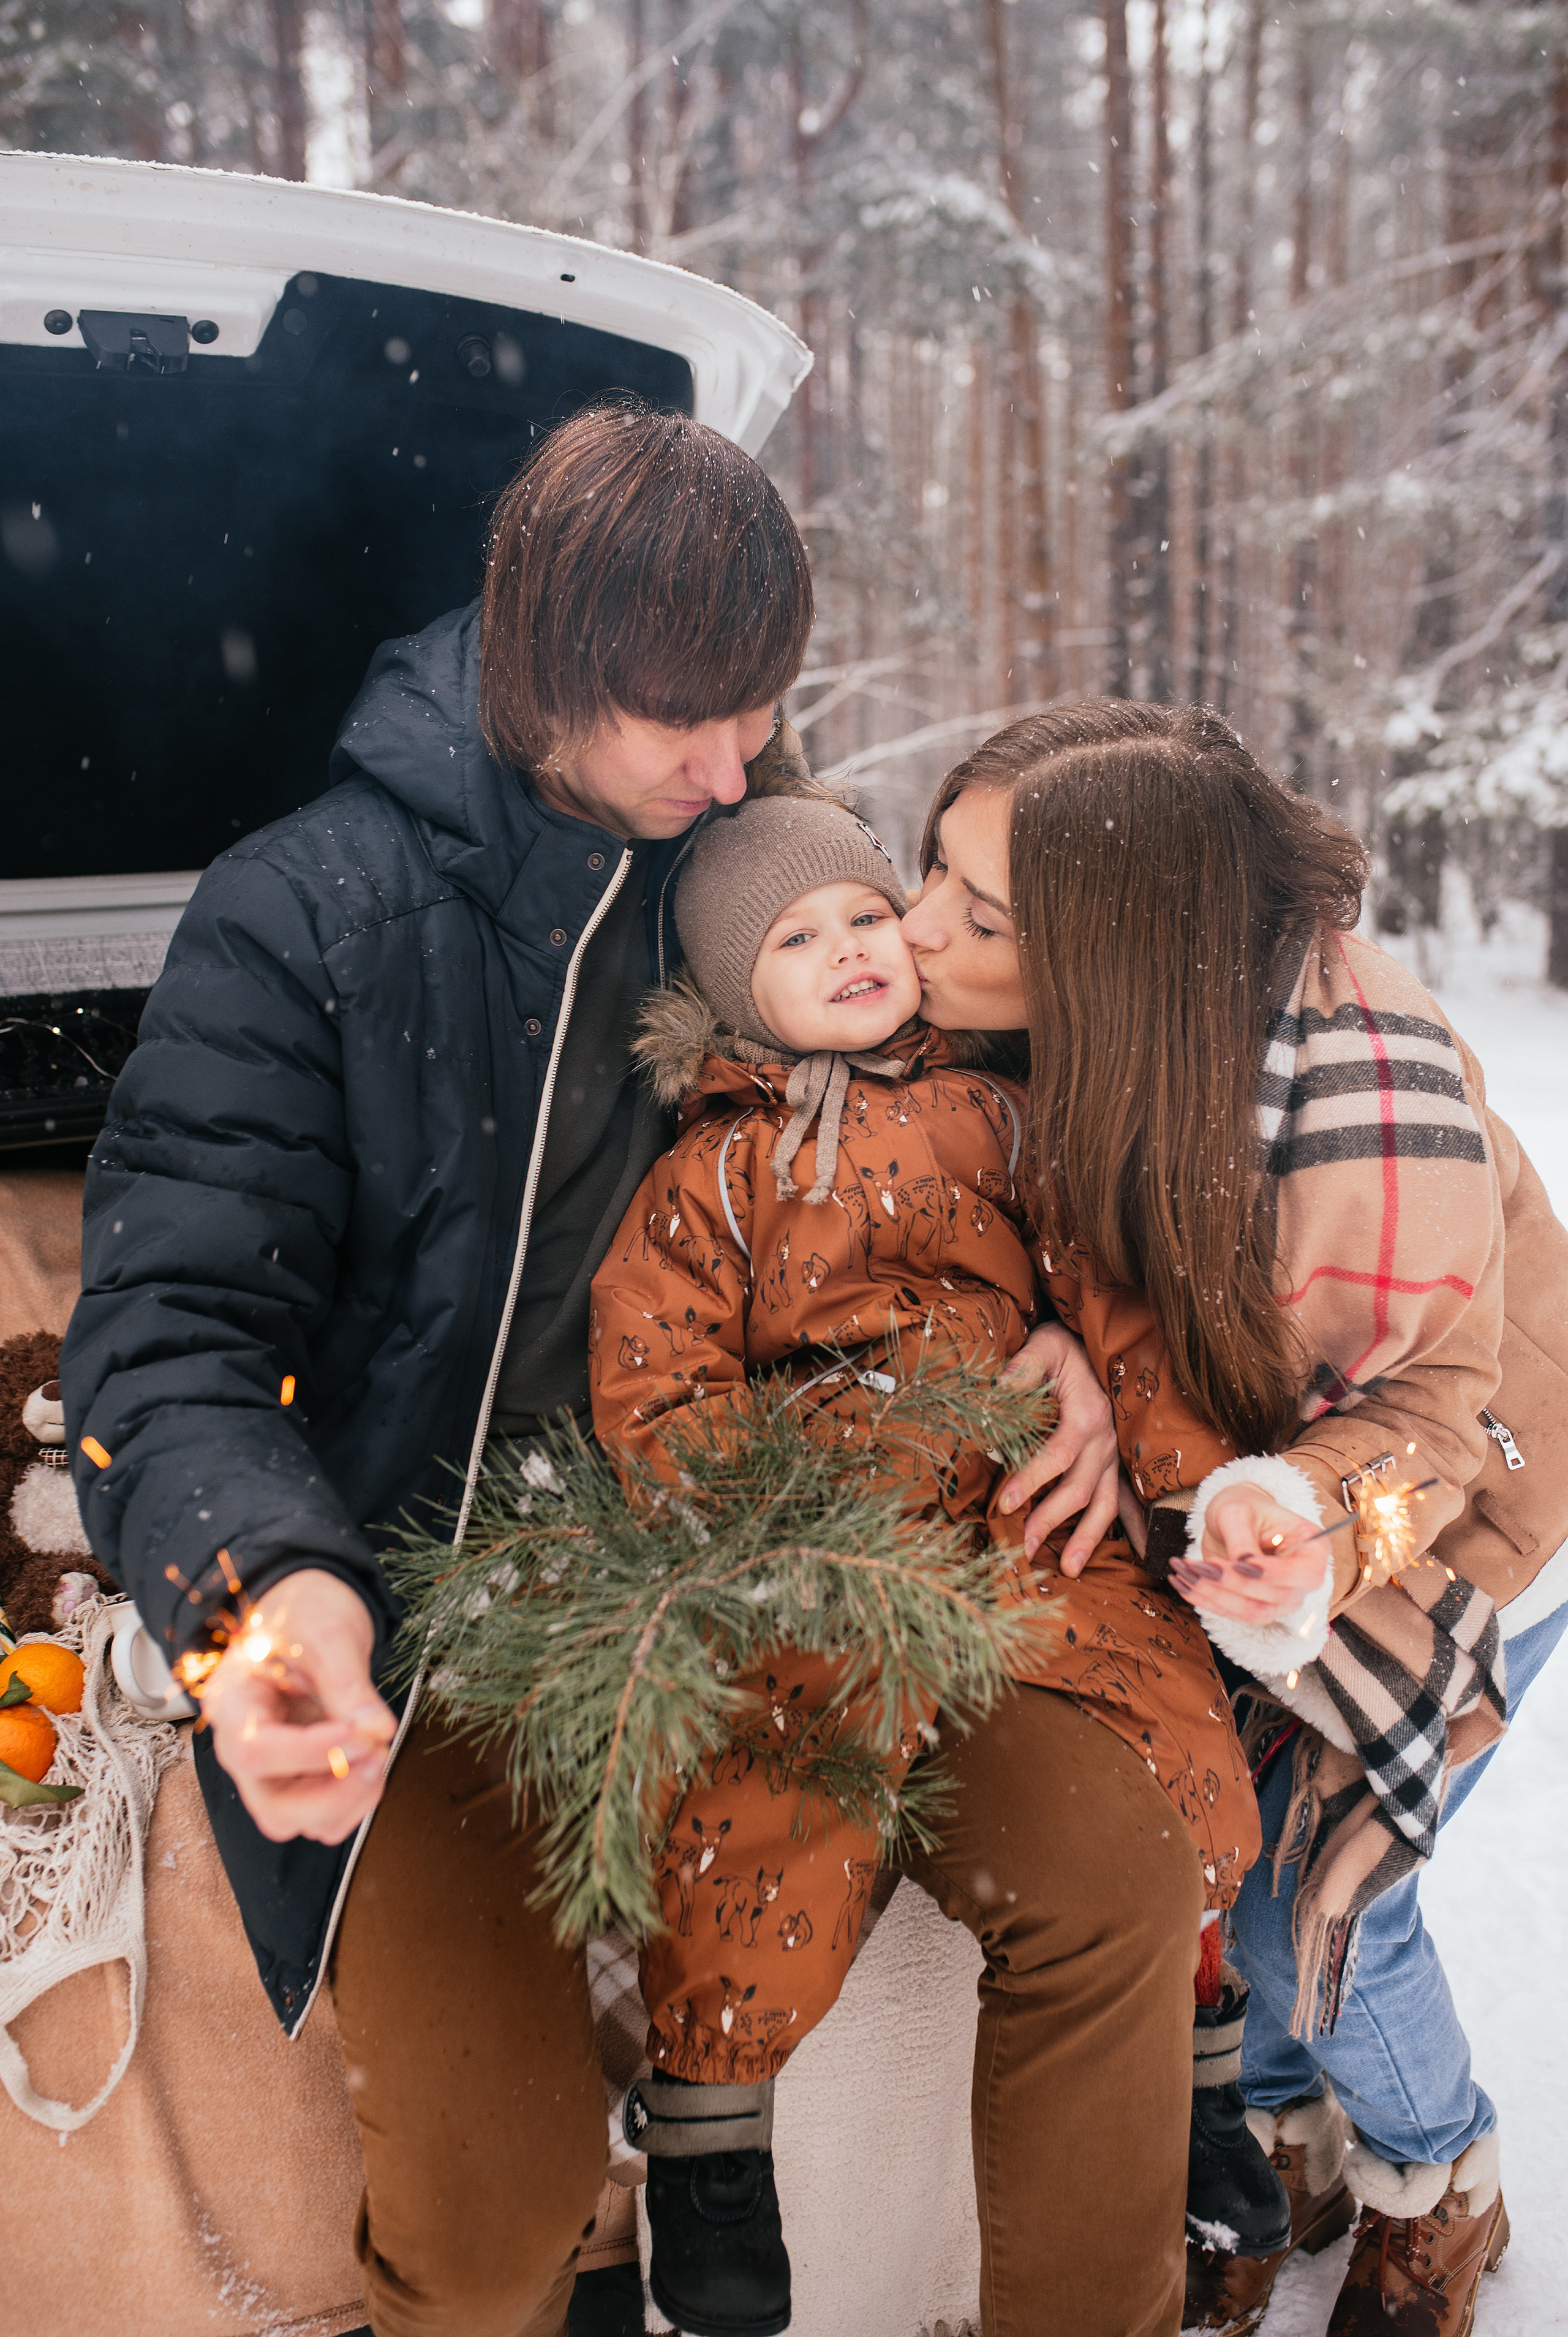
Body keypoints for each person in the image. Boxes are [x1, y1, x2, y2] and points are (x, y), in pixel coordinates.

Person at [57, 399, 1121, 2337]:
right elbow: (167, 1333)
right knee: (494, 2193)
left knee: (1110, 1867)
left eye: (761, 707)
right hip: (450, 1582)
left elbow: (1006, 1075)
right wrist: (267, 1606)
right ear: (546, 666)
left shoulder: (755, 857)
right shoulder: (300, 921)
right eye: (681, 721)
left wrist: (1077, 1331)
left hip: (811, 1534)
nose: (732, 770)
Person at [904, 698, 1568, 2337]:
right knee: (1238, 1844)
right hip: (1253, 1478)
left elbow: (1439, 1424)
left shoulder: (1365, 1109)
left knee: (1318, 1909)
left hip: (1467, 1491)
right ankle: (1287, 2150)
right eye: (932, 869)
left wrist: (1313, 1527)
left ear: (1117, 953)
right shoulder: (1094, 1008)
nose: (916, 930)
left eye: (981, 918)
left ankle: (1439, 2175)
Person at [587, 786, 1261, 2337]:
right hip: (833, 1534)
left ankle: (1203, 2083)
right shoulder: (717, 1175)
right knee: (773, 1777)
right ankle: (708, 2134)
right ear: (724, 990)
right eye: (793, 938)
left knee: (1175, 1727)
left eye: (862, 915)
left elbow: (1110, 1293)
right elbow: (656, 1376)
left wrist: (1187, 1487)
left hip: (1027, 1515)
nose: (845, 951)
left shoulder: (1007, 1111)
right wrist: (747, 1513)